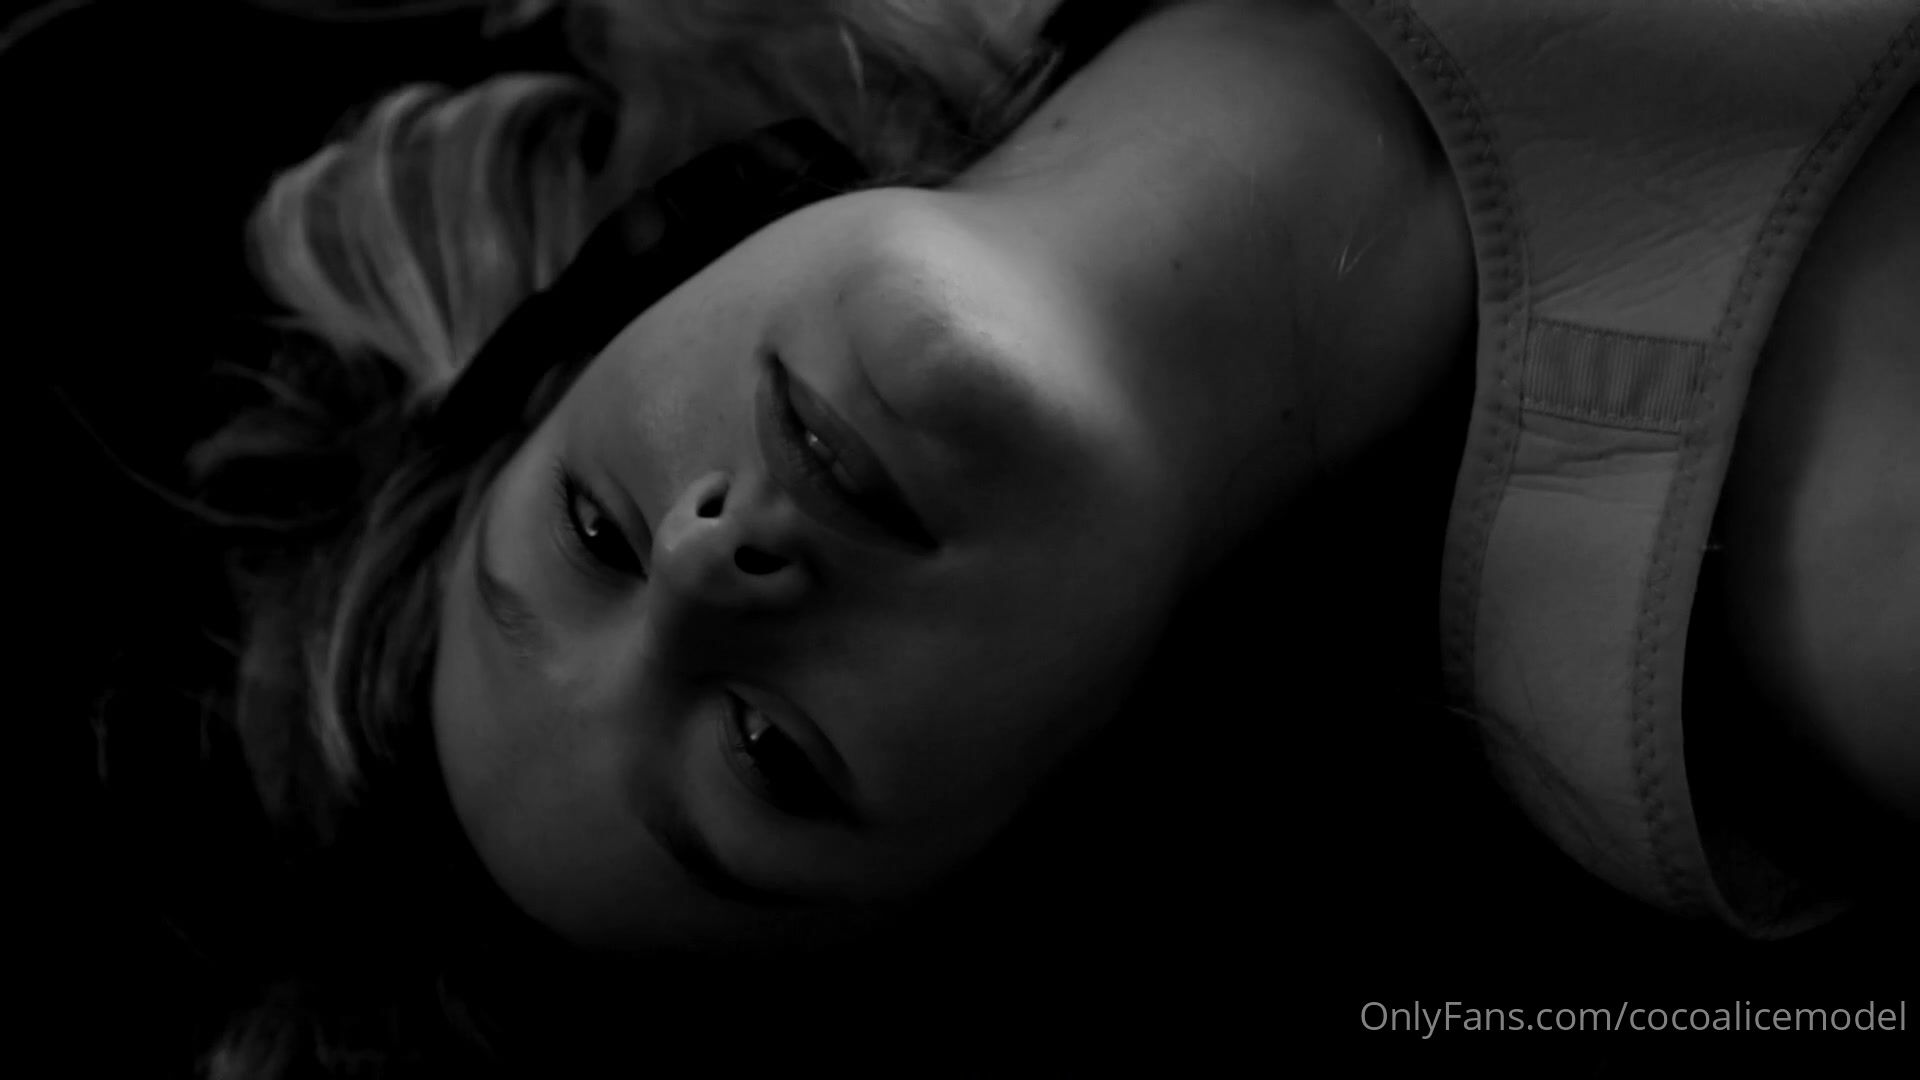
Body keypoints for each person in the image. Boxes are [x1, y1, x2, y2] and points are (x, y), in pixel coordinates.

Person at [14, 0, 1913, 1074]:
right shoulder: (1841, 580)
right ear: (1046, 842)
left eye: (589, 525)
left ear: (614, 306)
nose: (702, 576)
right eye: (773, 758)